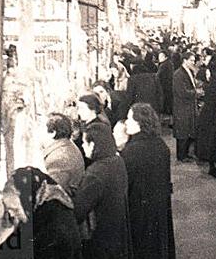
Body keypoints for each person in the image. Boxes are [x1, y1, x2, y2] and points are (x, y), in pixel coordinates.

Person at [72, 112, 132, 259]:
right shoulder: (117, 161)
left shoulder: (95, 173)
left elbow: (78, 211)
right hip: (117, 233)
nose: (82, 146)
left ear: (93, 145)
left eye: (85, 143)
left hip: (100, 238)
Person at [119, 103, 176, 259]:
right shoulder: (161, 145)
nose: (126, 123)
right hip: (159, 207)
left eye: (130, 119)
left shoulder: (130, 152)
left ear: (140, 122)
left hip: (139, 210)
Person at [0, 167, 82, 259]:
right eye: (8, 209)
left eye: (15, 209)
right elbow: (12, 246)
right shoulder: (38, 212)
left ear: (27, 200)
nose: (11, 214)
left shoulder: (56, 228)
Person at [41, 113, 84, 197]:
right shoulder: (65, 147)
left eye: (40, 129)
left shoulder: (60, 158)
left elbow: (51, 195)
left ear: (53, 133)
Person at [172, 51, 198, 162]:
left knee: (187, 130)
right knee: (182, 131)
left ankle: (185, 153)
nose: (193, 62)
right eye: (191, 60)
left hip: (188, 106)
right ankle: (181, 155)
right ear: (185, 60)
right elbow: (181, 92)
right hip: (182, 106)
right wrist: (196, 92)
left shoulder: (189, 72)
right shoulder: (178, 74)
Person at [75, 94, 112, 168]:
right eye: (78, 108)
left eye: (82, 108)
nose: (79, 112)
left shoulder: (97, 128)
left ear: (93, 109)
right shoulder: (86, 124)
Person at [156, 50, 174, 117]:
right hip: (169, 85)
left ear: (165, 57)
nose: (159, 58)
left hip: (164, 86)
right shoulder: (169, 63)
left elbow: (158, 76)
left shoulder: (163, 65)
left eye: (161, 56)